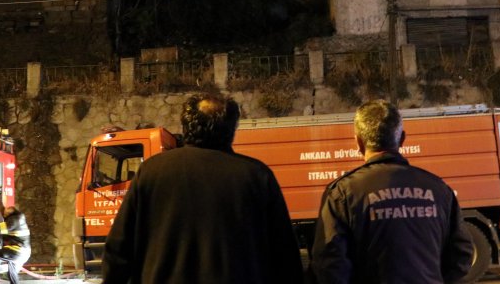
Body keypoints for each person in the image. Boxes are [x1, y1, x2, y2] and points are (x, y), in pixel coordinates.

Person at [102, 93, 303, 284]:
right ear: (231, 129)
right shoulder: (256, 175)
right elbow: (285, 255)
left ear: (186, 125)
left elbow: (119, 249)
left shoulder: (151, 172)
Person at [309, 100, 473, 283]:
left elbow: (329, 265)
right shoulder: (439, 189)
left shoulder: (342, 194)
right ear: (402, 139)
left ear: (359, 142)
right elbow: (462, 254)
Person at [0, 201, 31, 284]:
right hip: (24, 252)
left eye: (6, 213)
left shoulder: (15, 221)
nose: (4, 214)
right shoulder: (17, 217)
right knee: (12, 273)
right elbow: (4, 212)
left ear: (11, 212)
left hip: (17, 251)